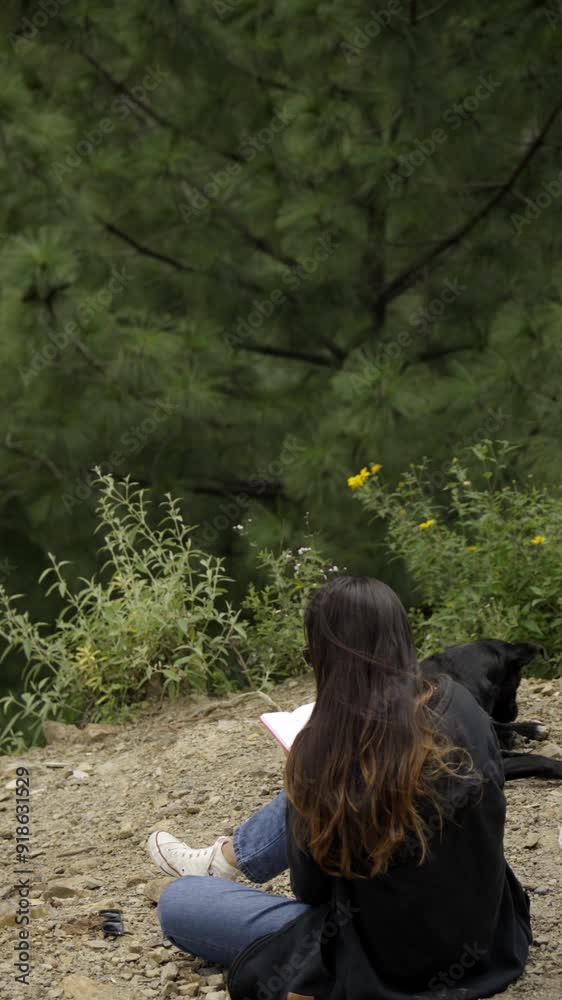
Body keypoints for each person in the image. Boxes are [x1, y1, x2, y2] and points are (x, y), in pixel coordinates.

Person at [147, 577, 532, 1000]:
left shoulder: (325, 755)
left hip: (383, 960)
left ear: (326, 658)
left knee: (180, 901)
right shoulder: (459, 702)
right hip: (486, 937)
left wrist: (304, 785)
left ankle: (219, 864)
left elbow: (312, 892)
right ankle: (224, 859)